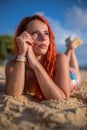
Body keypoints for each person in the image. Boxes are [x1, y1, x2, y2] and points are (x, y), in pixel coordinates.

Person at [5, 14, 83, 101]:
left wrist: (35, 63)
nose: (43, 38)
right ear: (23, 37)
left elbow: (63, 98)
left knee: (73, 68)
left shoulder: (60, 58)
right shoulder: (12, 66)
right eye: (35, 33)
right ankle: (70, 48)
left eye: (46, 33)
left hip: (72, 76)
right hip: (57, 68)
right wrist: (22, 54)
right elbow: (12, 94)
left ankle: (70, 49)